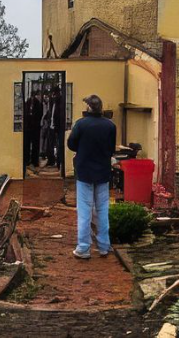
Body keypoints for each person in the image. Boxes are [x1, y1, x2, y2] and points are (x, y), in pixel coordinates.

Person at [67, 94, 116, 259]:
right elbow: (111, 149)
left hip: (84, 172)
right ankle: (104, 246)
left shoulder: (81, 124)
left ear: (88, 107)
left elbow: (71, 144)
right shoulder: (110, 125)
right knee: (102, 209)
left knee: (84, 210)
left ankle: (83, 248)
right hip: (103, 172)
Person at [24, 89, 42, 169]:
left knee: (30, 144)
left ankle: (30, 160)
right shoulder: (36, 103)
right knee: (32, 144)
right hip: (33, 127)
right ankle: (32, 161)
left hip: (31, 126)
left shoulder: (30, 103)